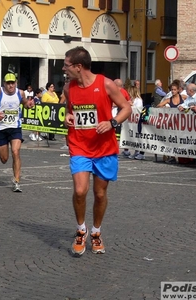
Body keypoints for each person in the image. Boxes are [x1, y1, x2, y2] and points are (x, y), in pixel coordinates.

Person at [62, 47, 131, 255]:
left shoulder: (106, 84)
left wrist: (112, 122)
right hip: (79, 146)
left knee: (100, 194)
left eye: (66, 65)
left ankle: (96, 232)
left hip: (104, 148)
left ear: (78, 66)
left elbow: (126, 107)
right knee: (80, 191)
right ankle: (81, 230)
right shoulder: (68, 88)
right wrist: (67, 116)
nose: (64, 69)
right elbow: (69, 110)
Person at [0, 73, 34, 192]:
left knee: (16, 152)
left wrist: (28, 105)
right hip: (1, 128)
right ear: (4, 84)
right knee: (4, 159)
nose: (11, 85)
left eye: (13, 83)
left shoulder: (20, 93)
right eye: (8, 83)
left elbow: (25, 102)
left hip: (15, 127)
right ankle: (14, 176)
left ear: (16, 83)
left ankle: (16, 181)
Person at [114, 79, 132, 158]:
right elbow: (129, 101)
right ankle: (125, 150)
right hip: (122, 114)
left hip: (119, 114)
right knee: (123, 133)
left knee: (119, 134)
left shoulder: (118, 92)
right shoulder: (124, 91)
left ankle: (117, 150)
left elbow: (128, 102)